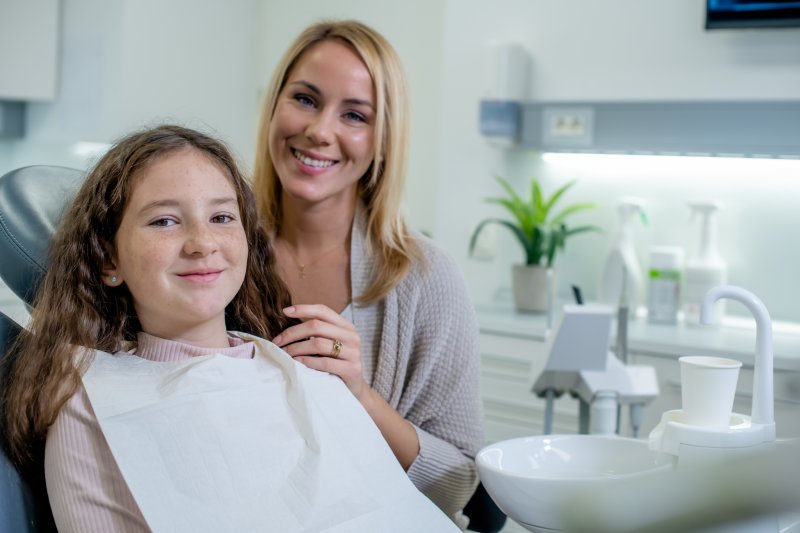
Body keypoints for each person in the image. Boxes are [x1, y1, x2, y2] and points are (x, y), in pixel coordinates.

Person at [1, 125, 459, 532]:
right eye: (165, 221)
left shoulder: (301, 369)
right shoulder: (92, 397)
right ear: (108, 259)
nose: (203, 244)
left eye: (222, 217)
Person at [252, 19, 484, 523]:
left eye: (354, 115)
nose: (319, 131)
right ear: (274, 107)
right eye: (306, 100)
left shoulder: (426, 279)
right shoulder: (219, 251)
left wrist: (359, 395)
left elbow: (458, 484)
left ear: (382, 140)